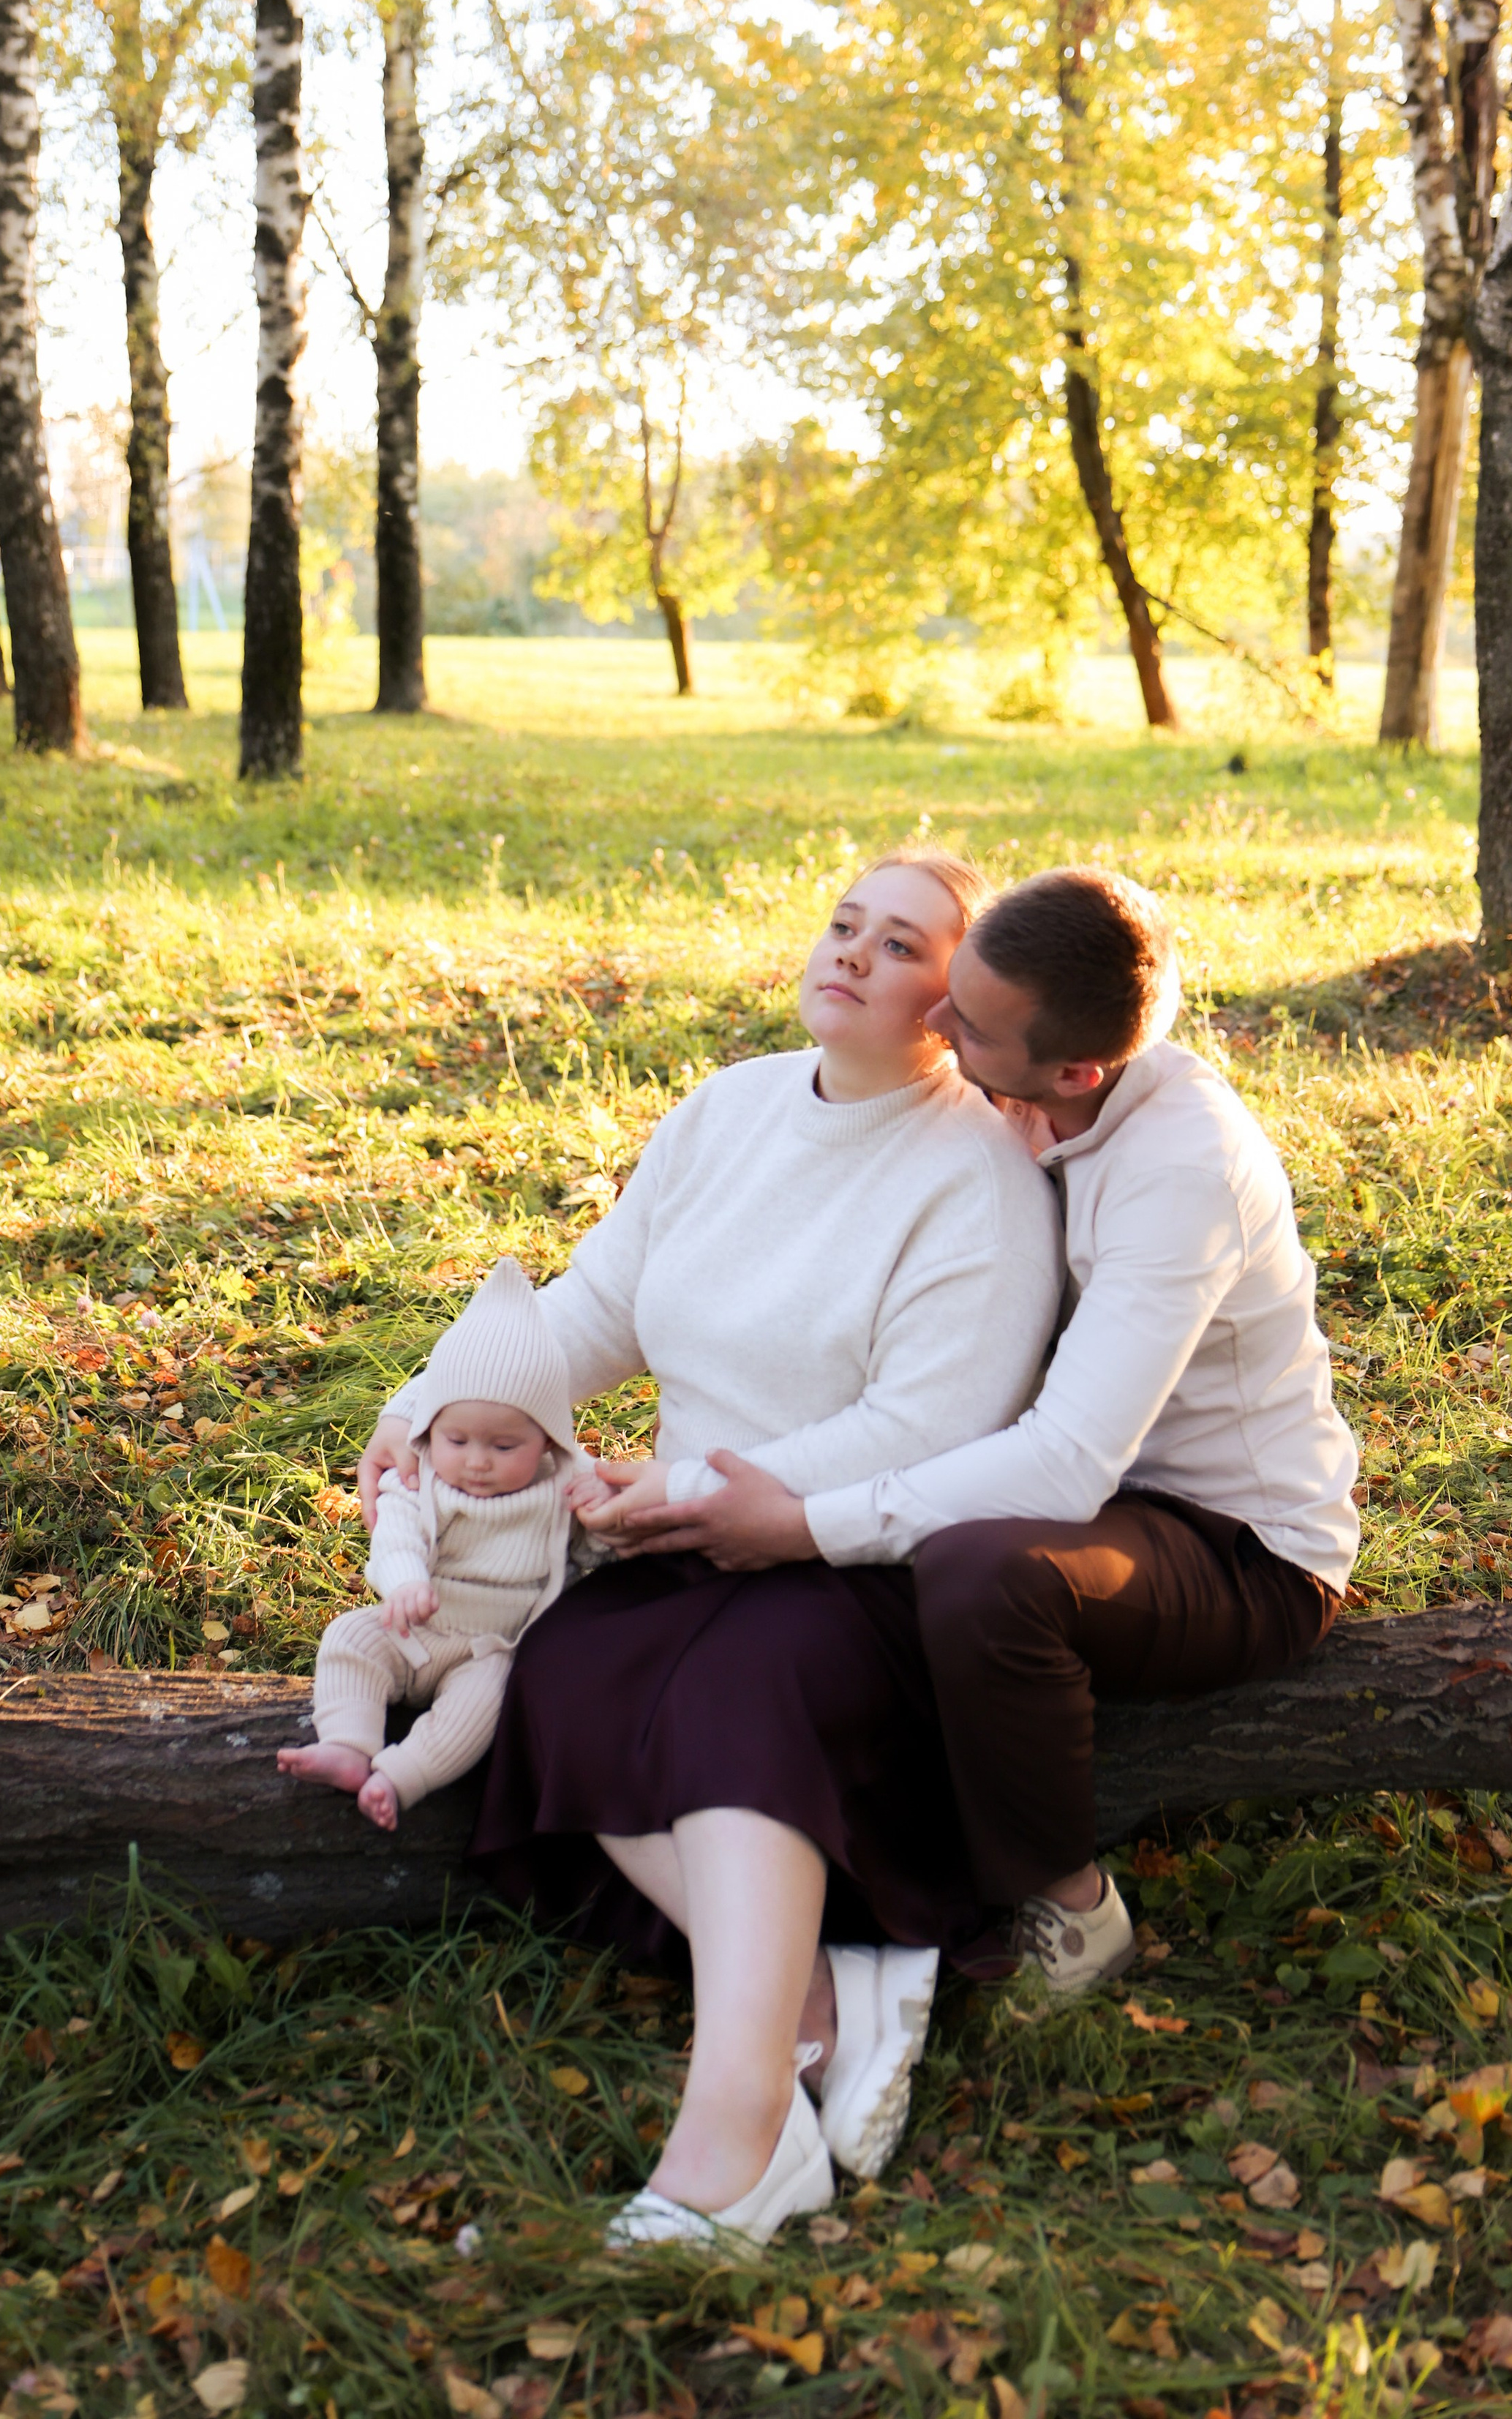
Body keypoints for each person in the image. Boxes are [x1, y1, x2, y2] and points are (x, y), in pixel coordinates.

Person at [357, 848, 1065, 2248]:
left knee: (743, 1691)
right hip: (681, 1542)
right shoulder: (730, 1112)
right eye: (844, 924)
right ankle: (823, 1996)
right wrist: (421, 1407)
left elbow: (931, 1425)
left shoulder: (975, 1178)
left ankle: (738, 2135)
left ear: (958, 1004)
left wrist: (689, 1482)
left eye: (903, 946)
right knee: (555, 1676)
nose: (854, 954)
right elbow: (593, 1311)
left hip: (869, 1565)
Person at [621, 865, 1358, 2007]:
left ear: (1073, 1071)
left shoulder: (1181, 1172)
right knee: (909, 1570)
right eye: (949, 986)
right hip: (1099, 1494)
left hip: (1234, 1545)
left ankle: (1070, 1907)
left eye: (965, 1019)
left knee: (976, 1570)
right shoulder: (1037, 1073)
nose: (937, 1018)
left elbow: (1066, 1465)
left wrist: (804, 1525)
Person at [278, 1260, 590, 1832]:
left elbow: (595, 1549)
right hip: (413, 1626)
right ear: (428, 1428)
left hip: (490, 1647)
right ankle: (347, 1744)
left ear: (548, 1437)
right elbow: (395, 1535)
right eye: (457, 1439)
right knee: (349, 1636)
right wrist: (405, 1583)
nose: (476, 1460)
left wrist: (610, 1530)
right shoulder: (421, 1480)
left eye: (504, 1445)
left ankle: (402, 1776)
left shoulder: (561, 1489)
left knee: (487, 1705)